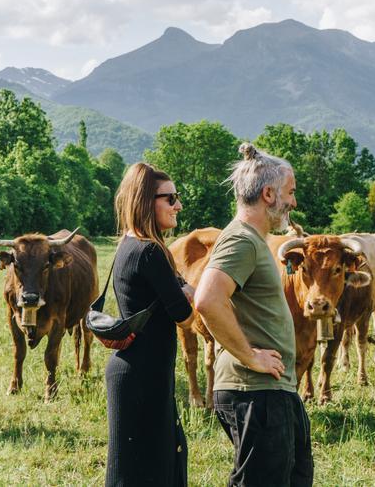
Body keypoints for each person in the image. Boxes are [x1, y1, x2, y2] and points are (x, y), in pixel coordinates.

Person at [194, 143, 313, 486]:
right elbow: (207, 299)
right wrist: (250, 357)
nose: (293, 202)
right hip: (255, 393)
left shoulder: (254, 241)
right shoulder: (242, 241)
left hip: (273, 390)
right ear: (268, 193)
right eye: (290, 193)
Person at [104, 162, 195, 487]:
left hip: (136, 371)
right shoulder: (149, 253)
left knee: (132, 468)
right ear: (146, 201)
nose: (178, 205)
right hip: (144, 375)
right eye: (170, 199)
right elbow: (183, 316)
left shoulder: (128, 245)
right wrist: (190, 292)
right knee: (152, 468)